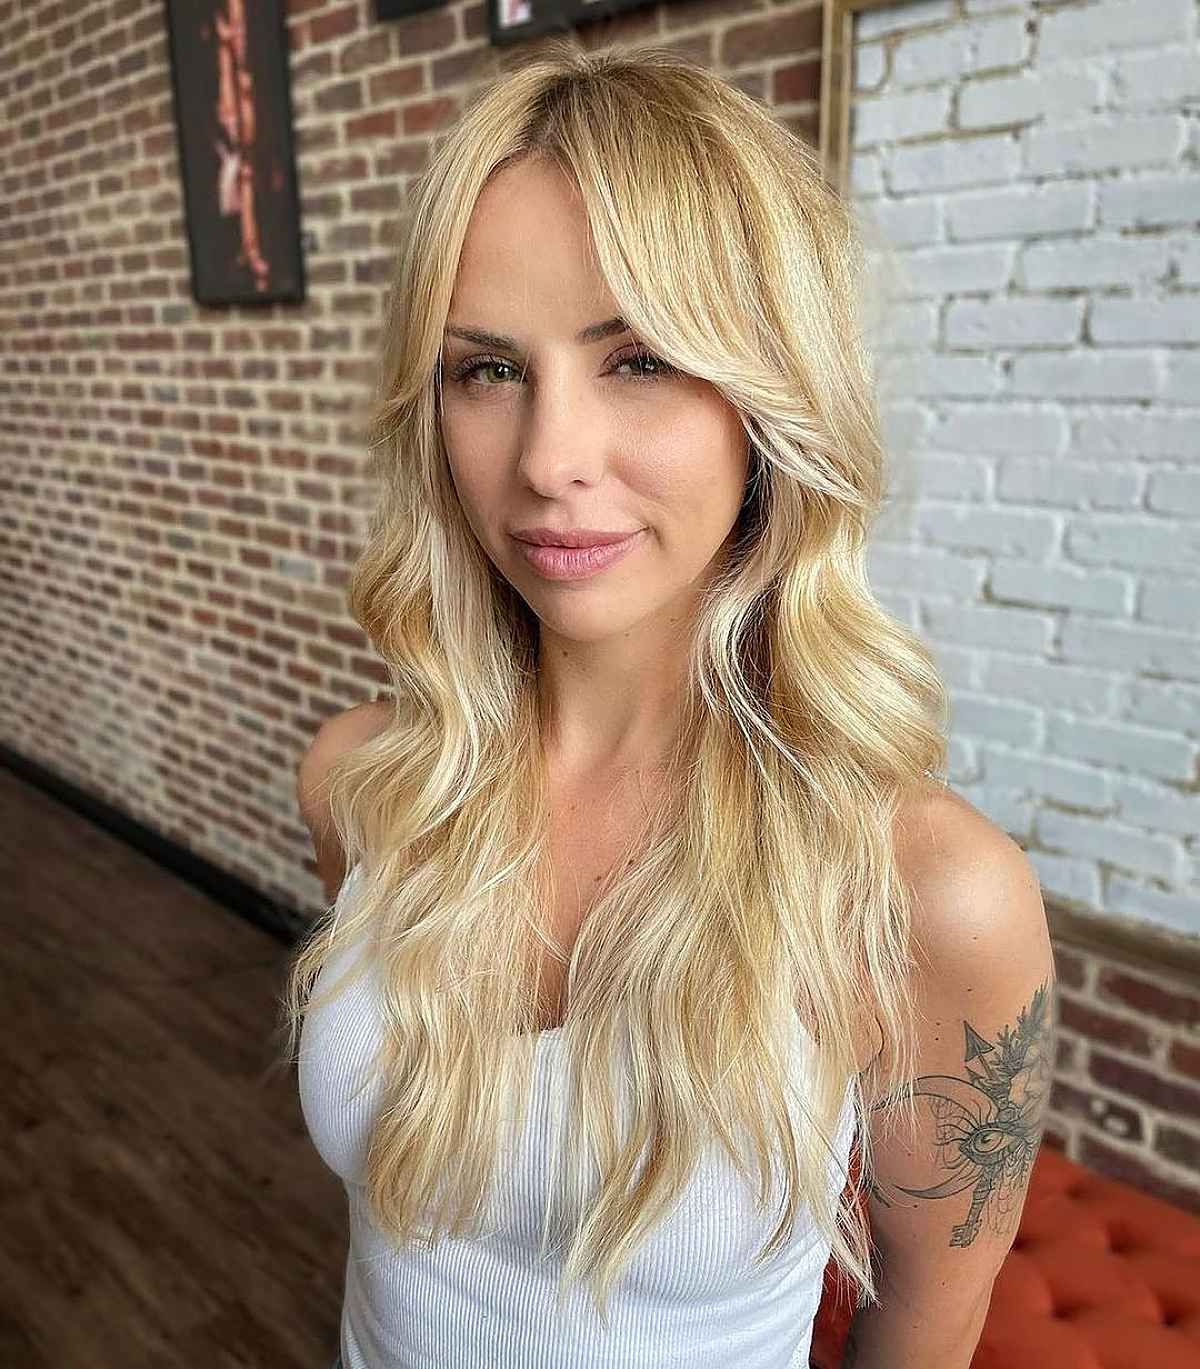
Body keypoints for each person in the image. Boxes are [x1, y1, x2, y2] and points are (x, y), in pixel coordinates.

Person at [280, 37, 1056, 1369]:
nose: (548, 460)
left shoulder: (924, 889)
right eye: (488, 370)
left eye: (637, 358)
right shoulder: (367, 780)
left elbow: (924, 1323)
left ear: (772, 402)